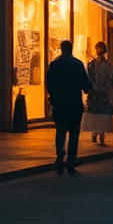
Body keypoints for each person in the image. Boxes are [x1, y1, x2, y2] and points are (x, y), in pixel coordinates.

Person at [44, 41, 91, 175]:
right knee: (74, 133)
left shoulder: (54, 65)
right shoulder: (77, 64)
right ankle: (71, 160)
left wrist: (53, 98)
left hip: (59, 104)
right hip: (75, 104)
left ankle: (59, 152)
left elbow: (49, 84)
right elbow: (85, 83)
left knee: (60, 130)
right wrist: (89, 89)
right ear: (71, 49)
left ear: (61, 49)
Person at [83, 42, 113, 147]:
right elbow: (89, 78)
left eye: (101, 48)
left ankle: (101, 134)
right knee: (95, 114)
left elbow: (110, 80)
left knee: (102, 114)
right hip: (95, 93)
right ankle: (95, 133)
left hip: (103, 93)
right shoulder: (91, 64)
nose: (99, 51)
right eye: (98, 48)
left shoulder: (108, 65)